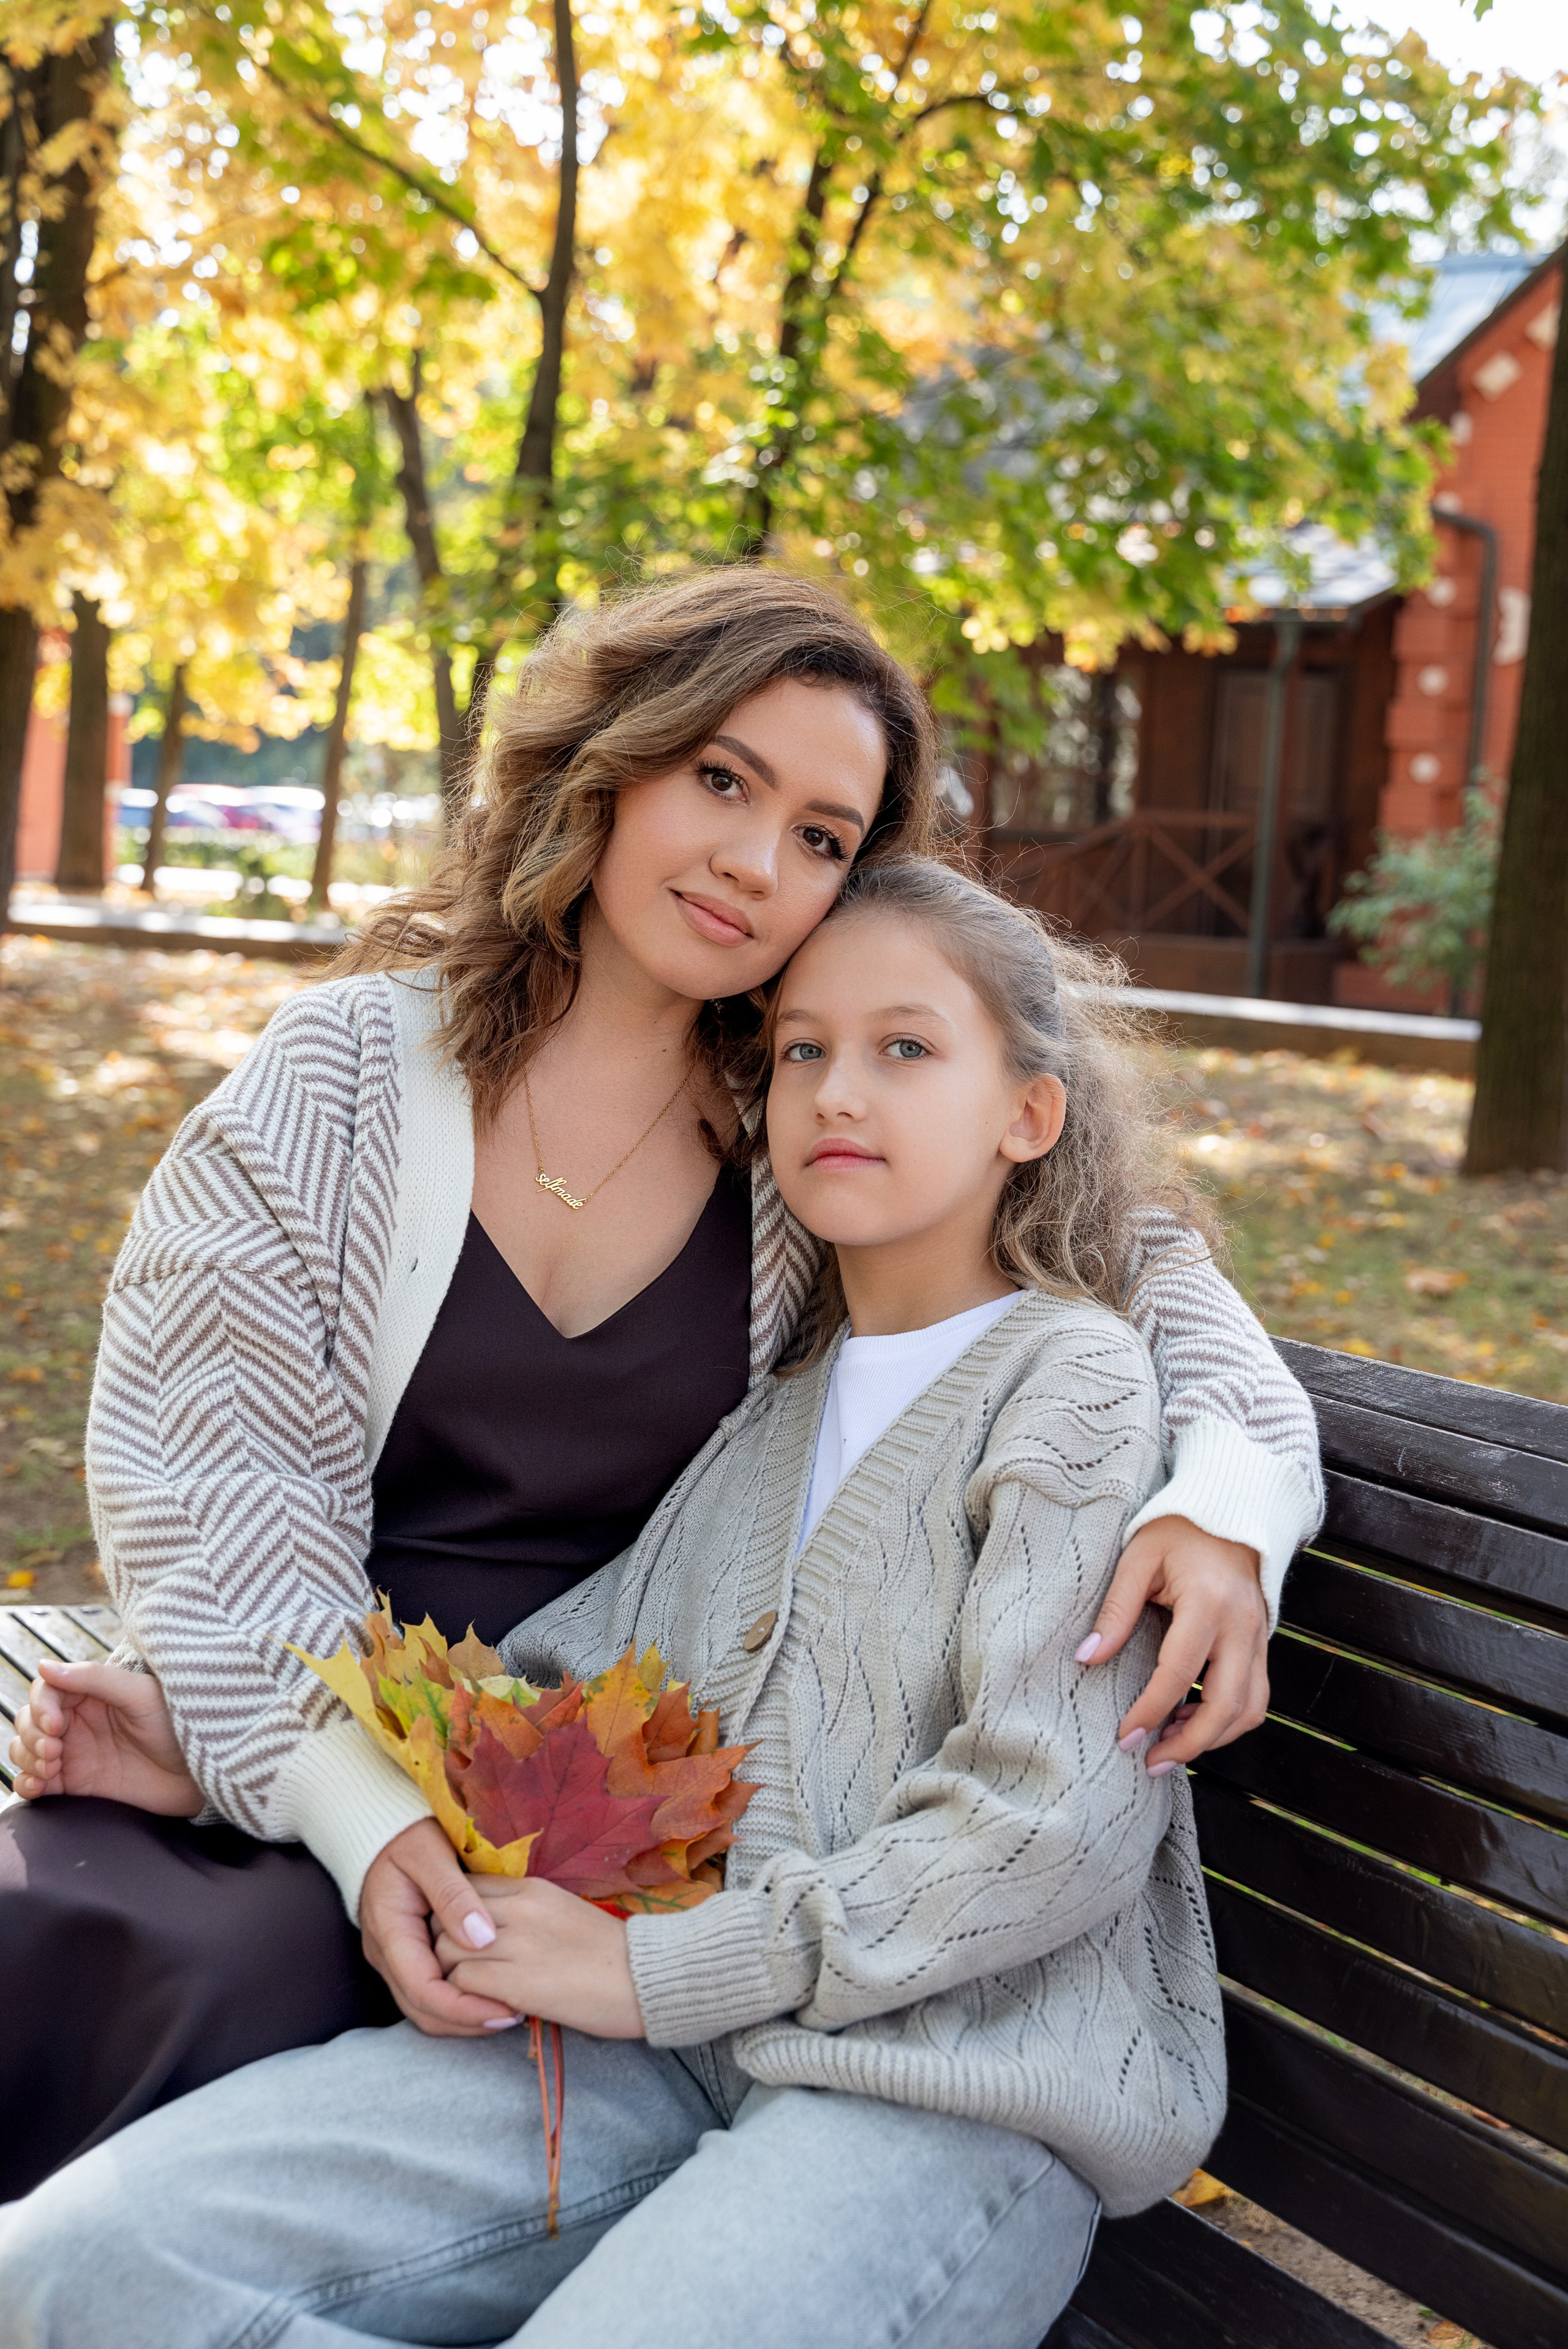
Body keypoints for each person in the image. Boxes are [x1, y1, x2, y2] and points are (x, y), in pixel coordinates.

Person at [2, 568, 1319, 2200]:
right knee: (81, 1941)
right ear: (612, 760)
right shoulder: (339, 1080)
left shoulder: (809, 1151)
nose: (758, 864)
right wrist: (300, 1778)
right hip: (301, 1716)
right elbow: (214, 1494)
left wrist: (1231, 1501)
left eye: (825, 836)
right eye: (722, 779)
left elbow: (1144, 1263)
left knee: (262, 1987)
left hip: (612, 1810)